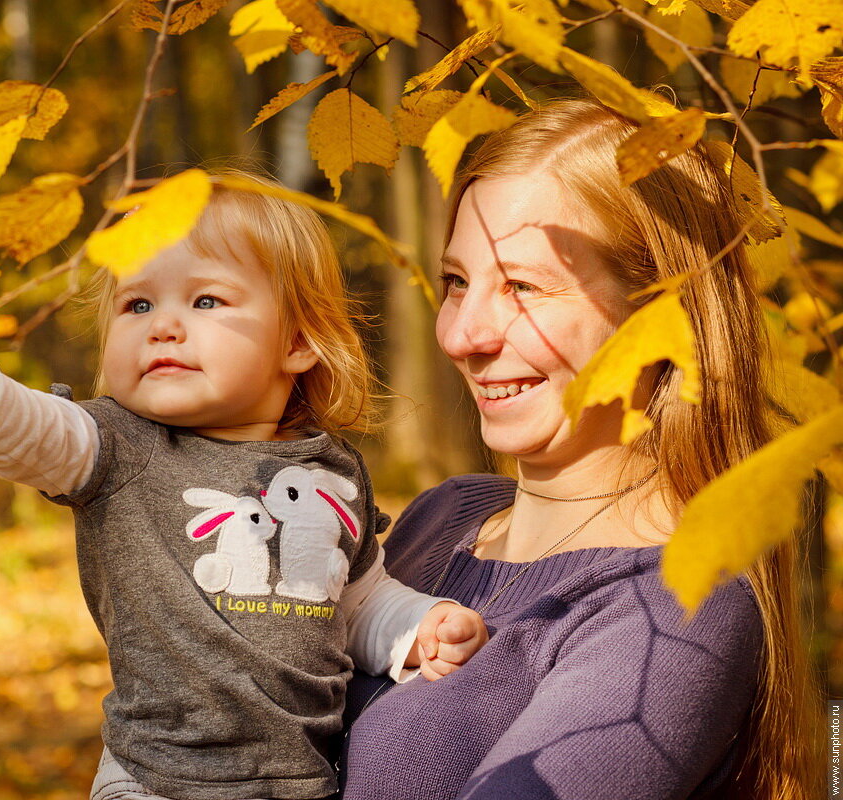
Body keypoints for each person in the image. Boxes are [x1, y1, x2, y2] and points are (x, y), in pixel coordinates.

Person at [0, 171, 492, 800]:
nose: (164, 327)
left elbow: (354, 598)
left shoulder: (331, 469)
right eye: (137, 305)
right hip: (153, 779)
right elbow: (14, 423)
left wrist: (415, 627)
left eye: (206, 301)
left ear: (299, 341)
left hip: (300, 779)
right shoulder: (114, 445)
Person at [336, 98, 825, 799]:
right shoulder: (443, 521)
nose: (462, 336)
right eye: (457, 283)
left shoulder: (675, 608)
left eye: (523, 288)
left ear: (659, 312)